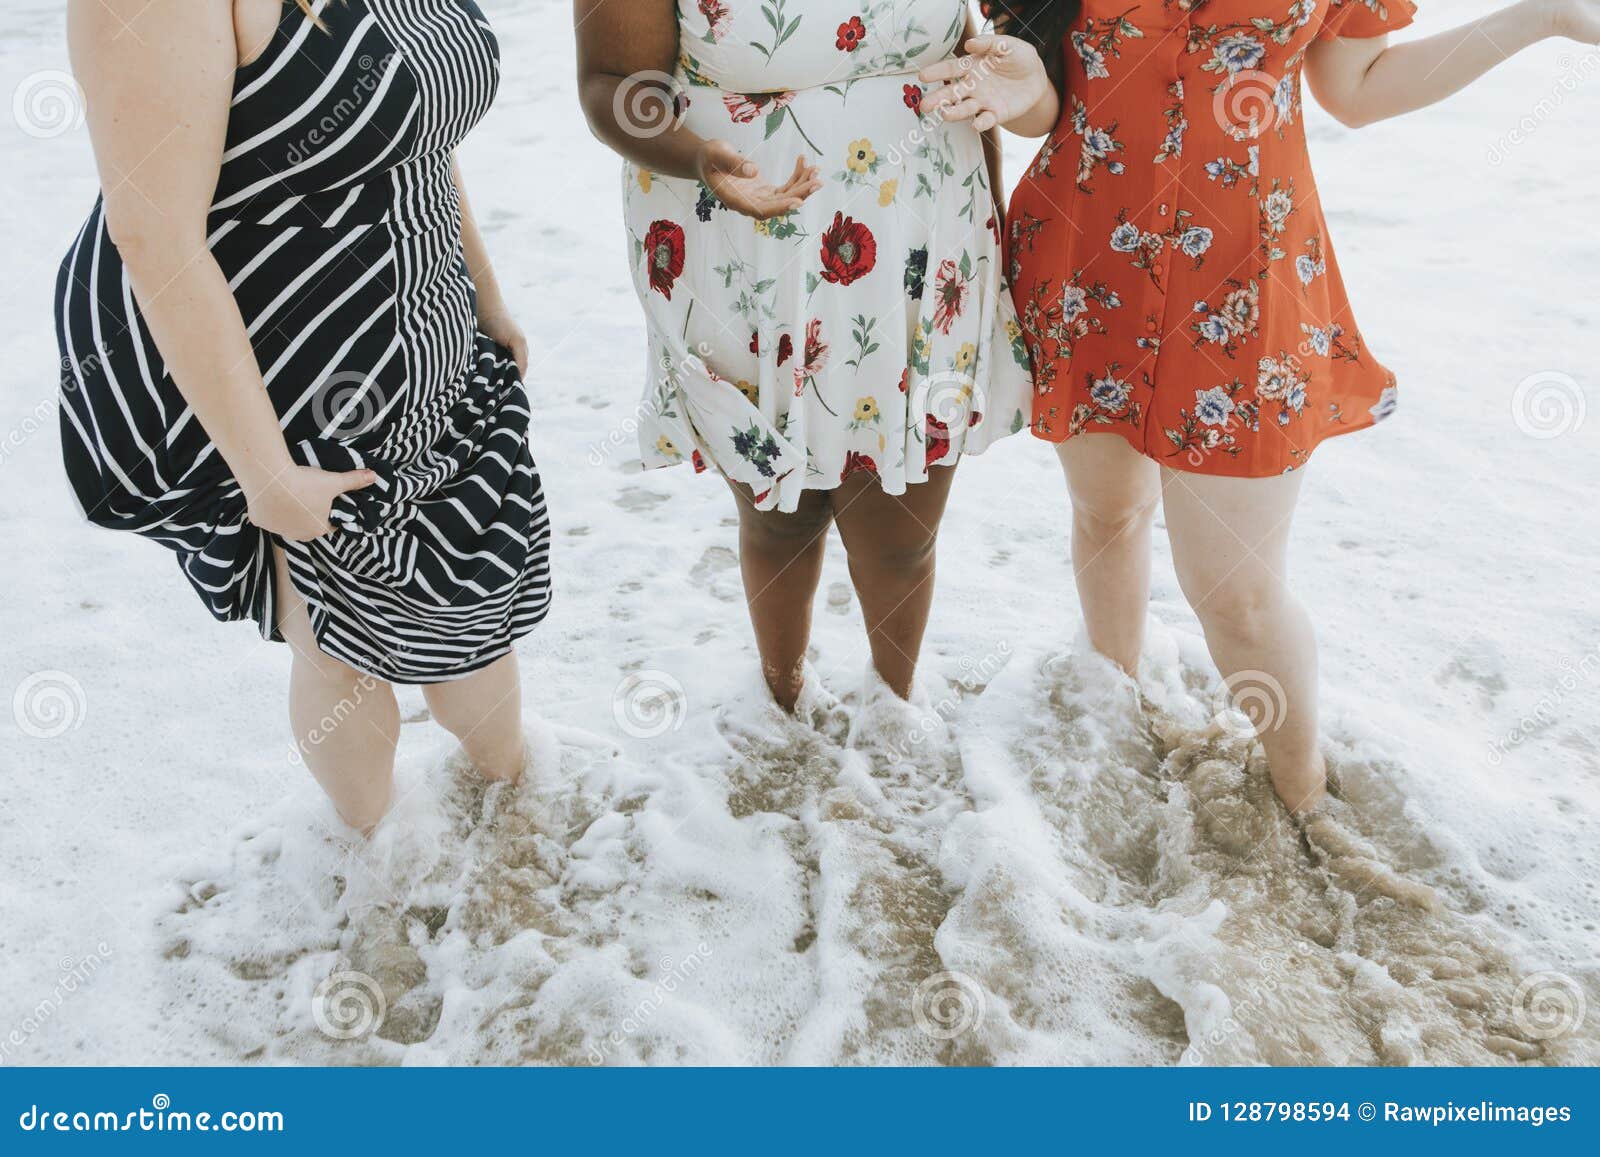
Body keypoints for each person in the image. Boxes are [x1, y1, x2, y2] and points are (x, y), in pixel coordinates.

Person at [919, 0, 1600, 812]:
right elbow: (1047, 96)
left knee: (1237, 596)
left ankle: (1305, 805)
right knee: (1108, 514)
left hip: (1246, 282)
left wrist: (1544, 21)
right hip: (1089, 257)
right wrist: (1012, 94)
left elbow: (1362, 86)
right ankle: (1113, 726)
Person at [56, 0, 552, 833]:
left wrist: (484, 292)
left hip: (436, 330)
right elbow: (153, 235)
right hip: (294, 377)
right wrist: (264, 472)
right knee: (337, 642)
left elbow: (414, 115)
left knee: (474, 599)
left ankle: (519, 820)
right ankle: (376, 863)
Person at [575, 0, 1035, 723]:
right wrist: (698, 157)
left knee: (902, 535)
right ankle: (782, 708)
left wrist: (999, 222)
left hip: (925, 234)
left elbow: (976, 48)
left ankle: (896, 723)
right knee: (778, 516)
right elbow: (611, 82)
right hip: (736, 241)